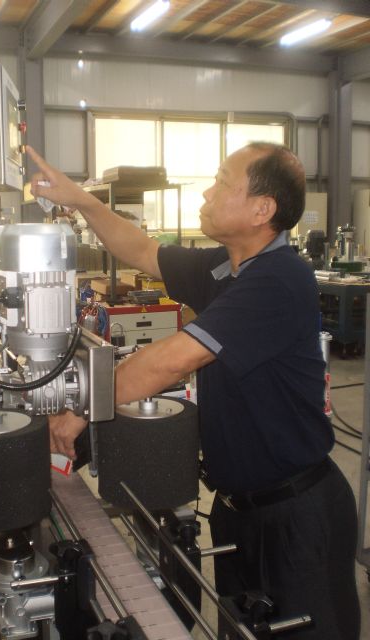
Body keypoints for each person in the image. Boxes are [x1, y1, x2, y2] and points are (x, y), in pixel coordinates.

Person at [27, 143, 360, 639]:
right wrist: (83, 201)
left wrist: (82, 407)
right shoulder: (228, 268)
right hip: (237, 511)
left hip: (295, 517)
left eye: (224, 182)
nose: (208, 191)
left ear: (261, 209)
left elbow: (173, 359)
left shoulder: (279, 279)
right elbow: (140, 249)